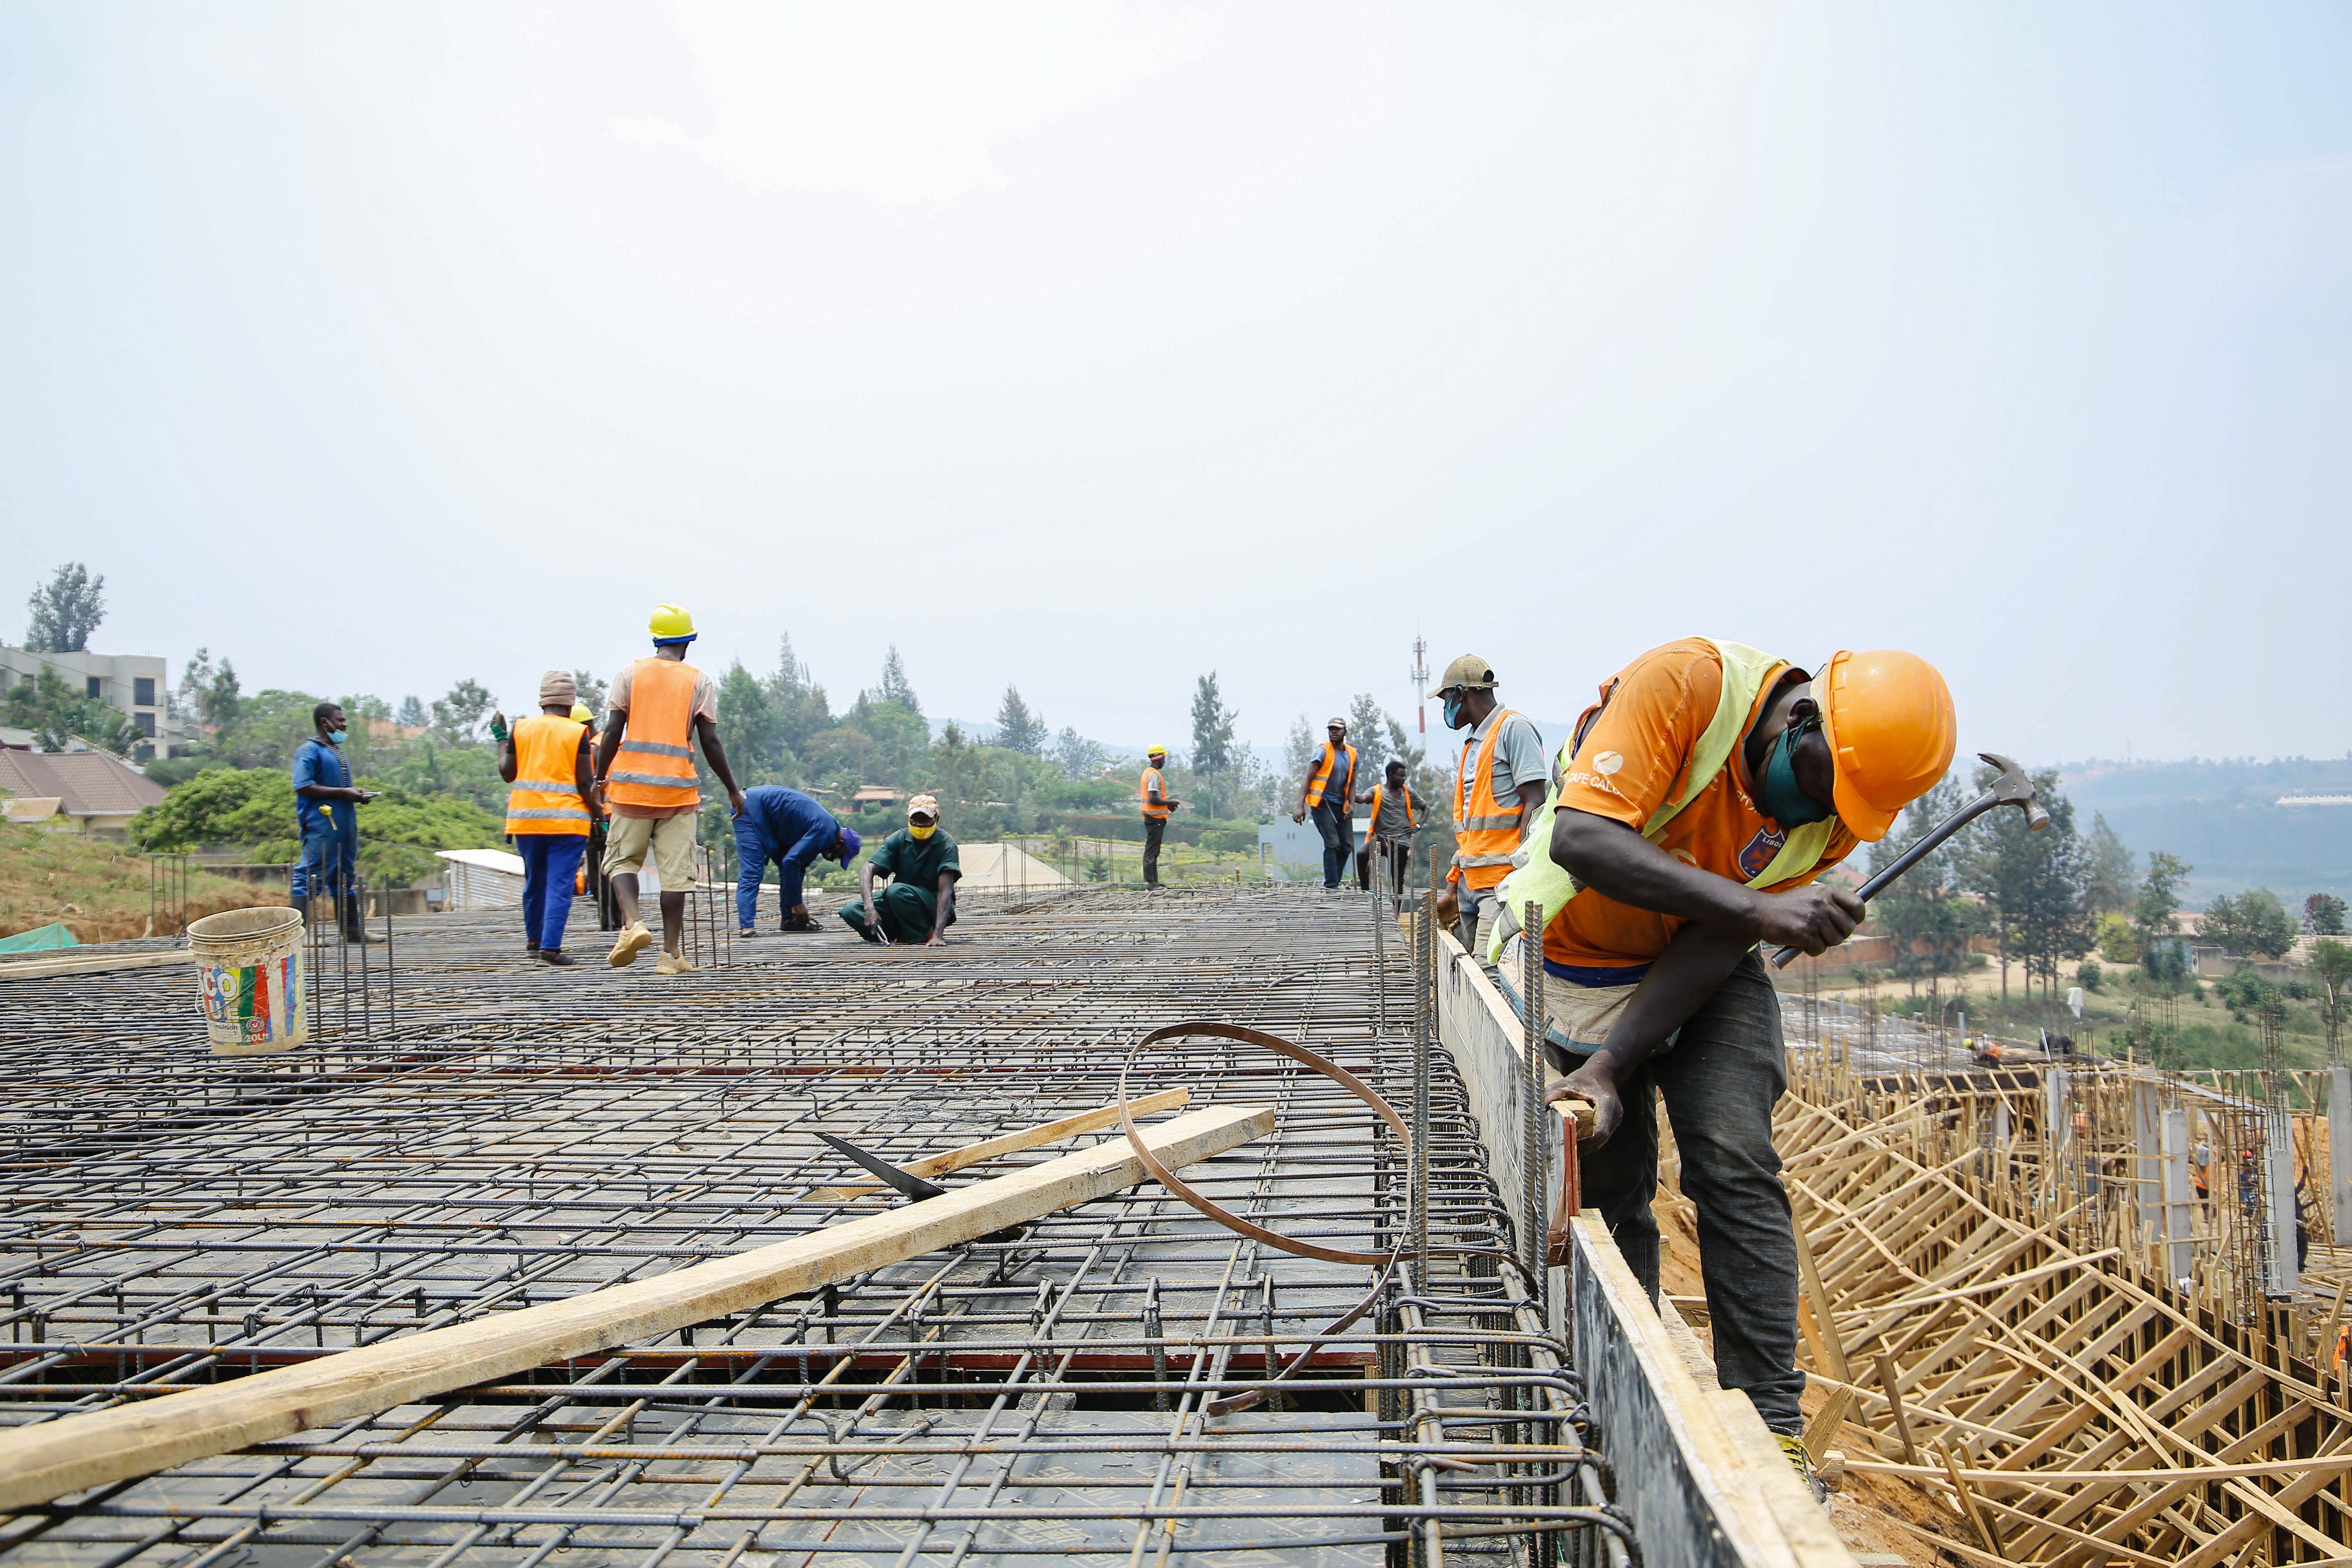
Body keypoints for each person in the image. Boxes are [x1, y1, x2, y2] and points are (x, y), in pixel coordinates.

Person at [1501, 640, 1954, 1490]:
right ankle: (1618, 1396)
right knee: (1610, 1186)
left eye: (1841, 804)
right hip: (1580, 957)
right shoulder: (1688, 687)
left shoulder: (1839, 811)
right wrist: (1761, 911)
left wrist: (1617, 1063)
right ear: (1801, 719)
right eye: (1820, 783)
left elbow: (1724, 932)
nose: (1820, 812)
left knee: (1734, 1157)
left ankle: (1771, 1428)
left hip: (1705, 959)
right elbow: (1583, 839)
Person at [592, 604, 746, 975]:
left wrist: (600, 779)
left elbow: (612, 731)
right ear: (688, 642)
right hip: (678, 793)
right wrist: (732, 790)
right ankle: (671, 955)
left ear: (656, 639)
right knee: (676, 875)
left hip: (631, 791)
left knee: (621, 861)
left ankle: (633, 924)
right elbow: (710, 741)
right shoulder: (699, 682)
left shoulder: (629, 674)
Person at [1430, 655, 1547, 954]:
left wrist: (1522, 873)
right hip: (1470, 882)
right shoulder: (1473, 743)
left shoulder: (1514, 730)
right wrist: (1454, 887)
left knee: (1488, 968)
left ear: (1462, 694)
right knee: (1469, 966)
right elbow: (1471, 831)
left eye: (1446, 699)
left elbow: (1536, 802)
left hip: (1500, 882)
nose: (1445, 709)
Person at [496, 672, 600, 966]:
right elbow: (585, 783)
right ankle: (551, 949)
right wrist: (600, 817)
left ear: (542, 701)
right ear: (571, 702)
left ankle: (534, 941)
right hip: (567, 823)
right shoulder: (577, 733)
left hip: (527, 820)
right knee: (560, 884)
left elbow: (508, 773)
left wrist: (501, 740)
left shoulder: (521, 728)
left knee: (535, 881)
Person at [290, 702, 380, 943]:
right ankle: (299, 935)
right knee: (309, 876)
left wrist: (355, 794)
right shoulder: (309, 751)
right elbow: (304, 786)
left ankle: (352, 931)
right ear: (325, 722)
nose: (344, 725)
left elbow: (338, 787)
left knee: (344, 877)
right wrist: (343, 793)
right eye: (340, 720)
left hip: (344, 825)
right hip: (322, 825)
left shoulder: (335, 751)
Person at [735, 785, 860, 935]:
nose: (834, 858)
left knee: (792, 869)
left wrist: (795, 907)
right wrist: (798, 904)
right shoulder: (826, 832)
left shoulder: (827, 828)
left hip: (770, 820)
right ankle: (747, 928)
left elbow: (795, 868)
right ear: (840, 844)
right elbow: (791, 862)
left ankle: (789, 920)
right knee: (752, 872)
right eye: (840, 855)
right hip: (749, 807)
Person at [842, 794, 960, 946]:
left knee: (896, 891)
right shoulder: (899, 838)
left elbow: (945, 891)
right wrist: (870, 909)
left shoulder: (946, 844)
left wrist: (938, 935)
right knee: (851, 911)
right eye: (915, 819)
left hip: (931, 905)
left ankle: (925, 935)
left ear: (936, 819)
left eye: (925, 819)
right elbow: (868, 869)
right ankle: (897, 934)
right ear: (908, 818)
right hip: (899, 902)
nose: (920, 824)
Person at [1291, 717, 1358, 890]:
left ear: (1345, 732)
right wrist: (1300, 806)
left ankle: (1335, 882)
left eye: (1337, 729)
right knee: (1333, 844)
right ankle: (1331, 886)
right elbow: (1308, 778)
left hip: (1341, 805)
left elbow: (1352, 782)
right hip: (1322, 804)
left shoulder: (1352, 754)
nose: (1333, 732)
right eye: (1331, 729)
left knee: (1346, 847)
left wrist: (1352, 804)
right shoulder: (1322, 751)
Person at [1354, 758, 1423, 899]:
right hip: (1382, 839)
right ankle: (1366, 891)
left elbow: (1426, 808)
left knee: (1398, 881)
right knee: (1362, 854)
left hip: (1401, 842)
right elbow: (1362, 799)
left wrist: (1418, 826)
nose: (1404, 779)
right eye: (1401, 776)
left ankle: (1395, 911)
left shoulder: (1408, 792)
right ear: (1391, 775)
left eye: (1405, 776)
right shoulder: (1377, 791)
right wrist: (1347, 791)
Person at [1139, 746, 1179, 889]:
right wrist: (1170, 802)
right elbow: (1153, 799)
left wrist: (1167, 805)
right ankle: (1151, 883)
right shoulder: (1154, 774)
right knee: (1151, 851)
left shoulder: (1148, 772)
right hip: (1155, 817)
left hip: (1154, 817)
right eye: (1164, 758)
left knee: (1154, 851)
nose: (1165, 761)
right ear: (1160, 758)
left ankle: (1155, 881)